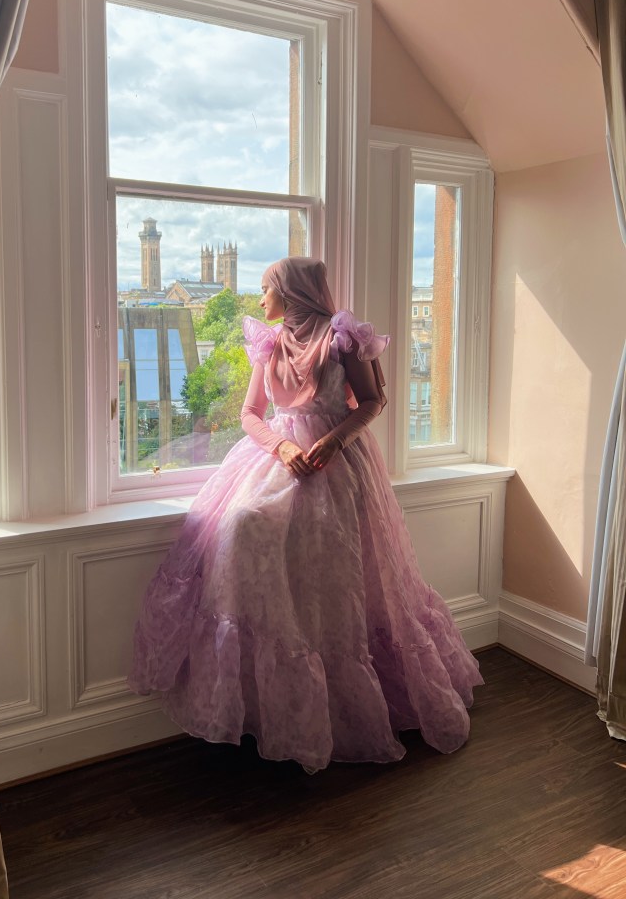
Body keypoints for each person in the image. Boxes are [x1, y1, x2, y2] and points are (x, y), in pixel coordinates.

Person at [128, 257, 483, 771]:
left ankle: (345, 711)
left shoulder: (343, 337)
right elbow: (250, 414)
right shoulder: (269, 342)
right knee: (244, 525)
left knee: (339, 577)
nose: (260, 299)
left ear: (291, 291)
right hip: (279, 458)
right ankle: (270, 706)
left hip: (338, 464)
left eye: (266, 288)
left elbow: (372, 401)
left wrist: (334, 441)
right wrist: (281, 447)